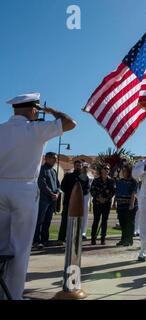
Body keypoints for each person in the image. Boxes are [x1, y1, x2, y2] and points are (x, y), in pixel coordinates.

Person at [0, 92, 76, 300]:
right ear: (34, 109)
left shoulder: (1, 129)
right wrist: (52, 112)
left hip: (0, 187)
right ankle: (13, 295)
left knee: (1, 244)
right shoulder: (35, 129)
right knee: (20, 246)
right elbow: (70, 123)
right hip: (23, 189)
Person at [33, 152, 60, 249]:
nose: (55, 160)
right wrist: (51, 194)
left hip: (52, 200)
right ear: (47, 158)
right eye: (53, 158)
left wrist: (57, 193)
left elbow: (58, 184)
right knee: (40, 220)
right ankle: (36, 240)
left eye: (56, 158)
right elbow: (42, 184)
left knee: (48, 220)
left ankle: (45, 240)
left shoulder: (53, 171)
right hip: (44, 199)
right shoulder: (42, 169)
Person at [58, 160, 90, 243]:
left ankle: (76, 238)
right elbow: (62, 187)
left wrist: (80, 193)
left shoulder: (84, 177)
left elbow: (87, 189)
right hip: (68, 201)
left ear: (82, 166)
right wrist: (72, 193)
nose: (78, 166)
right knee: (65, 220)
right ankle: (61, 238)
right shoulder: (68, 176)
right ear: (74, 166)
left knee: (78, 221)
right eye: (77, 165)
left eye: (80, 165)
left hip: (79, 203)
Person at [90, 164, 116, 245]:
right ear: (101, 170)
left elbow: (113, 192)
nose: (106, 170)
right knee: (96, 220)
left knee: (104, 221)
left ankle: (103, 239)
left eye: (108, 169)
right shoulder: (96, 180)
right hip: (97, 203)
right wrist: (99, 198)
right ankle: (93, 238)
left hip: (106, 204)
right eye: (104, 169)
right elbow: (92, 190)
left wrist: (105, 199)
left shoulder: (111, 181)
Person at [115, 164, 138, 246]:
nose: (124, 172)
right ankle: (123, 239)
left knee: (130, 223)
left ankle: (129, 240)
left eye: (125, 171)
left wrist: (131, 204)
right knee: (122, 223)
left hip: (130, 206)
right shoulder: (120, 181)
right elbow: (117, 192)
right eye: (123, 171)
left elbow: (133, 193)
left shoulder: (133, 181)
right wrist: (115, 203)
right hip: (121, 206)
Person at [80, 162, 93, 241]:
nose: (85, 169)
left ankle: (83, 232)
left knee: (85, 215)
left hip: (86, 197)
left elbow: (91, 188)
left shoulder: (90, 178)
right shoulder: (78, 176)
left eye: (86, 167)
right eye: (84, 167)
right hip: (78, 196)